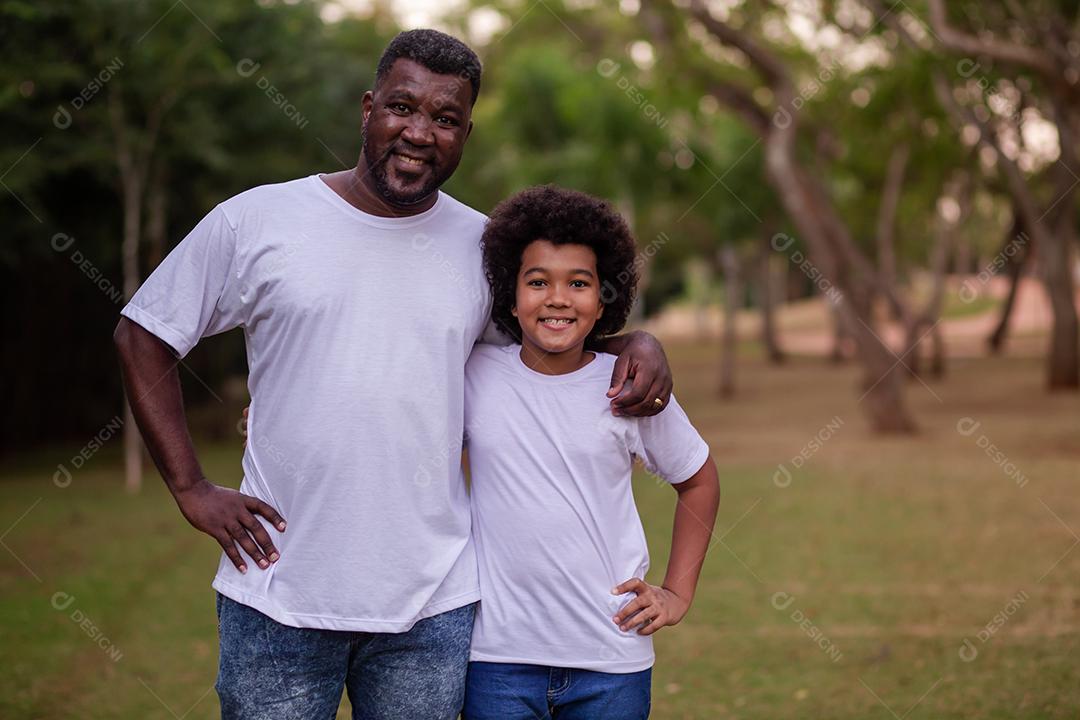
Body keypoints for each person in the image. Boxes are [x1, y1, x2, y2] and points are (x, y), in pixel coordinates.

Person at [112, 29, 673, 719]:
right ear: (368, 107)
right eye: (402, 107)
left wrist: (637, 339)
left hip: (431, 609)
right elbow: (143, 333)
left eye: (445, 119)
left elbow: (555, 335)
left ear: (465, 132)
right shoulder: (259, 220)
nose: (419, 132)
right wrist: (191, 486)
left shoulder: (483, 247)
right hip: (277, 596)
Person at [461, 186, 720, 719]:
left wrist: (676, 593)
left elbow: (698, 479)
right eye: (538, 282)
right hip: (496, 660)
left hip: (611, 659)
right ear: (510, 297)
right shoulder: (474, 375)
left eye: (578, 283)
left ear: (604, 299)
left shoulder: (628, 384)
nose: (558, 298)